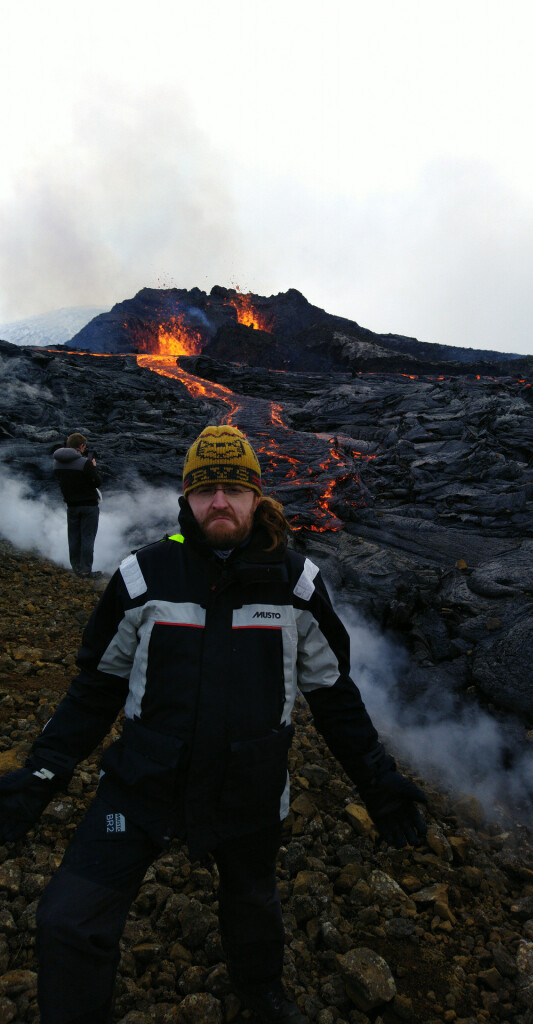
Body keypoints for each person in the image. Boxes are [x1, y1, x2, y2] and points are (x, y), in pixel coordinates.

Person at [0, 424, 428, 1024]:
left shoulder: (296, 586)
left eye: (233, 487)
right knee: (67, 922)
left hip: (248, 791)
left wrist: (379, 782)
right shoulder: (143, 578)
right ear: (186, 497)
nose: (219, 501)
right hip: (140, 788)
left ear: (257, 495)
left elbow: (334, 696)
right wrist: (41, 776)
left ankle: (260, 990)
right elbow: (94, 692)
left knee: (253, 904)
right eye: (205, 489)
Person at [53, 431, 102, 578]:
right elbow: (97, 482)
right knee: (87, 538)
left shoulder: (57, 463)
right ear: (81, 446)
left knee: (74, 538)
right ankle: (85, 570)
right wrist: (93, 467)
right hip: (89, 506)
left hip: (71, 505)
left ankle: (76, 568)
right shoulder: (84, 463)